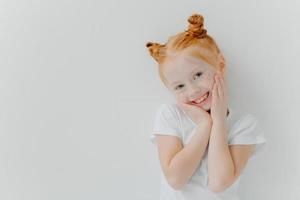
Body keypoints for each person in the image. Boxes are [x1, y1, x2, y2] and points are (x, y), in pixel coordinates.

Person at [146, 13, 267, 200]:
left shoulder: (243, 125)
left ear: (220, 64)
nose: (193, 90)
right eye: (180, 86)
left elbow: (218, 183)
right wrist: (204, 125)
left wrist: (218, 121)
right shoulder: (171, 115)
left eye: (198, 75)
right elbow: (176, 179)